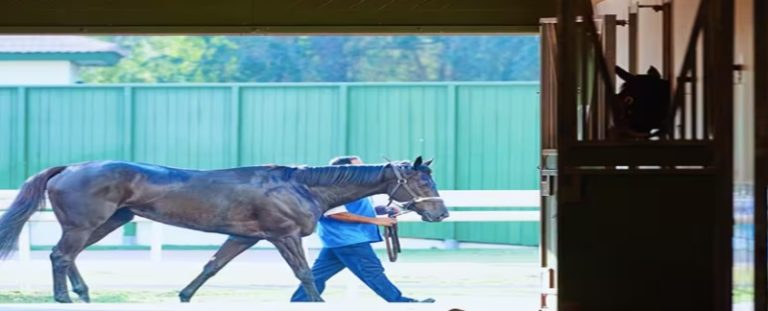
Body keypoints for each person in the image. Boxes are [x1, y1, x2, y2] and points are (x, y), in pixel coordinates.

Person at [290, 155, 434, 303]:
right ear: (344, 169)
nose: (364, 168)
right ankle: (401, 303)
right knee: (372, 272)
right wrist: (376, 221)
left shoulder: (355, 187)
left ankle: (299, 302)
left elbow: (358, 209)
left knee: (318, 275)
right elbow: (336, 214)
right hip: (348, 239)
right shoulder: (331, 189)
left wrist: (381, 209)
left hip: (340, 240)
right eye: (358, 166)